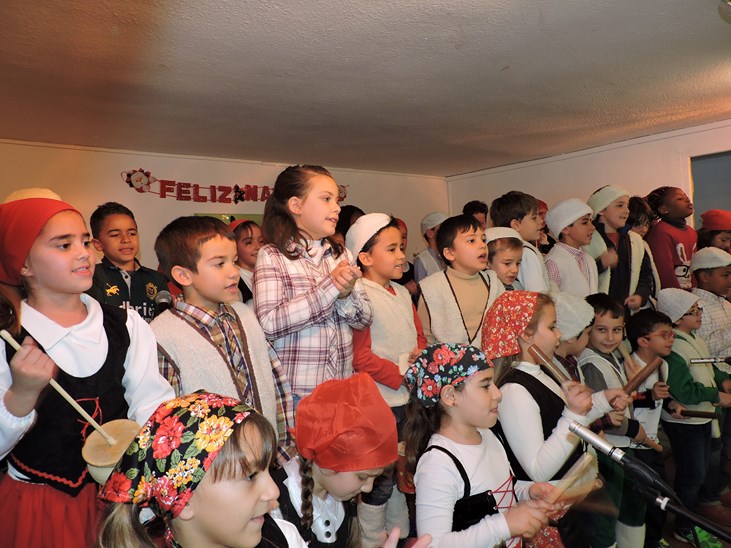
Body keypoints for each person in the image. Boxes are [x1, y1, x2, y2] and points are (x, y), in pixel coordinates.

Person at [0, 194, 174, 547]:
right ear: (25, 265)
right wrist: (21, 395)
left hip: (120, 503)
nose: (84, 254)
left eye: (84, 241)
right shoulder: (8, 339)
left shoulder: (126, 324)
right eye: (64, 245)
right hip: (39, 509)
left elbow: (151, 407)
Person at [152, 215, 295, 465]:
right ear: (184, 275)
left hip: (266, 460)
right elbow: (167, 422)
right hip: (216, 471)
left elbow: (276, 383)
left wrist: (283, 450)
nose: (234, 272)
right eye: (219, 264)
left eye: (234, 261)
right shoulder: (163, 336)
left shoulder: (245, 315)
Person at [484, 291, 623, 547]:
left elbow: (562, 419)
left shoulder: (541, 371)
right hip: (552, 507)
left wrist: (603, 401)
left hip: (572, 499)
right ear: (526, 334)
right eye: (552, 327)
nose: (559, 335)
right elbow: (538, 469)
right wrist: (574, 413)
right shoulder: (514, 391)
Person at [98, 391, 308, 547]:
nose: (274, 491)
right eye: (250, 476)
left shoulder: (283, 537)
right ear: (184, 501)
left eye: (268, 469)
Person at [403, 342, 557, 547]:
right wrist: (503, 526)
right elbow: (432, 544)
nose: (498, 394)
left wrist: (527, 491)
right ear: (450, 396)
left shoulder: (488, 435)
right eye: (485, 385)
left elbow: (497, 489)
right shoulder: (438, 464)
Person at [254, 165, 372, 401]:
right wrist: (331, 288)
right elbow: (269, 324)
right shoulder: (273, 255)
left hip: (342, 389)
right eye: (326, 199)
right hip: (298, 395)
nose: (337, 207)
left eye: (336, 200)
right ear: (296, 206)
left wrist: (345, 297)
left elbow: (364, 319)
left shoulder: (342, 254)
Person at [346, 214, 427, 543]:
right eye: (391, 249)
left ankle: (399, 533)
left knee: (400, 472)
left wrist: (419, 357)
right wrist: (401, 376)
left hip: (406, 398)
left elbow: (418, 335)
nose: (401, 256)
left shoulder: (402, 292)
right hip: (380, 401)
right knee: (379, 478)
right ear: (365, 258)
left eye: (401, 248)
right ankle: (371, 538)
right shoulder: (359, 295)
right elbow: (361, 356)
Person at [272, 373, 414, 547]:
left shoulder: (341, 501)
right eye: (362, 477)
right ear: (329, 462)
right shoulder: (275, 506)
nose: (368, 488)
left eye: (374, 478)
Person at [657, 288, 731, 543]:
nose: (699, 314)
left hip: (703, 417)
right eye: (692, 312)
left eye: (698, 309)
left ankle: (697, 512)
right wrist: (715, 395)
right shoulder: (674, 347)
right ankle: (684, 525)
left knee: (702, 469)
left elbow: (708, 366)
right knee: (691, 476)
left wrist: (722, 380)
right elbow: (683, 390)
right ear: (676, 318)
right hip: (687, 421)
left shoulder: (693, 338)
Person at [578, 293, 648, 548]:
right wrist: (633, 429)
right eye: (601, 330)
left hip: (619, 446)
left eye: (617, 330)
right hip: (606, 449)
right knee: (606, 514)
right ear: (587, 329)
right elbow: (601, 415)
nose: (610, 338)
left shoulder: (608, 358)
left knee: (630, 504)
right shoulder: (590, 363)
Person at [624, 309, 678, 548]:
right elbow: (622, 400)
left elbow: (660, 395)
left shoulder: (662, 365)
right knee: (643, 498)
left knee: (661, 495)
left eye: (672, 334)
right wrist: (649, 396)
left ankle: (654, 538)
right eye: (664, 335)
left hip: (653, 441)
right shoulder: (628, 365)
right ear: (643, 341)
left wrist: (670, 403)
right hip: (635, 443)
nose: (671, 340)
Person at [418, 214, 503, 350]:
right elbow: (425, 338)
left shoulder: (493, 283)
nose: (482, 245)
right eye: (471, 240)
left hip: (491, 360)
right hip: (450, 361)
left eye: (483, 239)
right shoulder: (433, 288)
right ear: (450, 253)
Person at [86, 201, 169, 323]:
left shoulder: (157, 279)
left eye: (132, 233)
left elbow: (163, 323)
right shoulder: (93, 276)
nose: (126, 239)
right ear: (98, 244)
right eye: (115, 235)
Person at [585, 185, 654, 312]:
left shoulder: (635, 240)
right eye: (620, 205)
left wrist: (640, 296)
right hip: (598, 313)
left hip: (626, 312)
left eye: (627, 206)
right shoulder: (587, 241)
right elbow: (578, 276)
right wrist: (600, 264)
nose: (627, 211)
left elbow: (646, 274)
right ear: (601, 210)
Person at [489, 191, 552, 292]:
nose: (541, 221)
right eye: (534, 218)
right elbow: (538, 295)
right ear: (516, 225)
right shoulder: (526, 253)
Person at [544, 198, 599, 298]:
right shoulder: (554, 262)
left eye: (591, 222)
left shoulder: (588, 259)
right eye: (585, 223)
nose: (592, 227)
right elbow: (551, 299)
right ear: (565, 229)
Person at [645, 186, 696, 289]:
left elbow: (694, 267)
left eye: (686, 196)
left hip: (690, 294)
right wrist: (679, 296)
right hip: (672, 295)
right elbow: (664, 272)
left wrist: (696, 291)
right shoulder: (661, 232)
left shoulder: (691, 232)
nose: (687, 200)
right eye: (679, 199)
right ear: (664, 209)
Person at [229, 218, 264, 305]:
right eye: (249, 242)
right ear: (234, 247)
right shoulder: (233, 282)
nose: (258, 246)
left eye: (261, 241)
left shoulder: (271, 273)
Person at [413, 211, 448, 284]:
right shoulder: (421, 261)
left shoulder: (451, 254)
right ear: (429, 233)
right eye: (443, 228)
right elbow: (422, 289)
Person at [392, 217, 418, 300]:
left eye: (404, 237)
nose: (401, 242)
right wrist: (405, 290)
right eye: (397, 237)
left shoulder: (413, 269)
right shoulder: (385, 270)